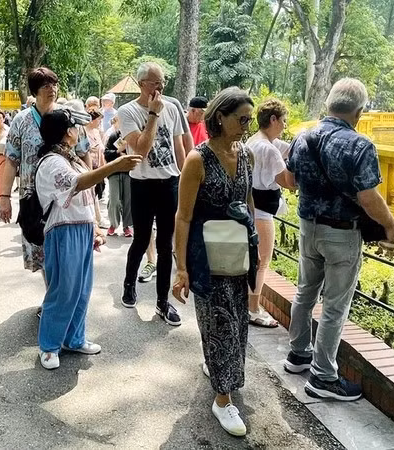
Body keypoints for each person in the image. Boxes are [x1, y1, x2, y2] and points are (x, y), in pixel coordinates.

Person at [283, 78, 394, 401]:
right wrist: (391, 227)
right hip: (341, 234)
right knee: (334, 305)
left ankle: (298, 354)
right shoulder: (360, 145)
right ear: (359, 112)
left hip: (307, 227)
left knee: (305, 291)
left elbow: (290, 180)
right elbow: (368, 198)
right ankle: (323, 376)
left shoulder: (303, 136)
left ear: (329, 104)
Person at [172, 87, 257, 437]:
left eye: (249, 120)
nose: (246, 126)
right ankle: (223, 399)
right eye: (241, 119)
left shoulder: (246, 154)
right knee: (220, 324)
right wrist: (181, 268)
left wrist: (254, 243)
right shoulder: (198, 160)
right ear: (220, 117)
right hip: (206, 256)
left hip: (237, 253)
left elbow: (248, 203)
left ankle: (220, 370)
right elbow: (183, 216)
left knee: (238, 322)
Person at [35, 109, 142, 369]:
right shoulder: (52, 162)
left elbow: (87, 196)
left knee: (81, 289)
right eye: (75, 126)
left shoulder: (70, 159)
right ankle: (49, 346)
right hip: (62, 230)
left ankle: (74, 338)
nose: (79, 131)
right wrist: (113, 166)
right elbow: (78, 183)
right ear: (67, 132)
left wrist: (94, 228)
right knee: (63, 290)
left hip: (80, 228)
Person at [0, 67, 89, 318]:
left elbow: (84, 152)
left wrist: (89, 187)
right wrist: (4, 198)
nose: (52, 89)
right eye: (45, 85)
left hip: (66, 199)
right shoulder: (21, 120)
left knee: (65, 253)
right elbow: (11, 160)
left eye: (54, 84)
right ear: (35, 91)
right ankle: (54, 300)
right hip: (34, 200)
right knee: (43, 252)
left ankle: (59, 304)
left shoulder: (68, 116)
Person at [118, 61, 187, 326]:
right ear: (141, 84)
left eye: (162, 82)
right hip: (142, 184)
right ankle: (129, 284)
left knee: (166, 244)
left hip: (169, 183)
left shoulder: (172, 108)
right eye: (155, 82)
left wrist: (185, 179)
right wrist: (153, 114)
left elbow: (178, 147)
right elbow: (141, 150)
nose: (160, 87)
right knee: (141, 239)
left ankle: (162, 302)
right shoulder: (127, 112)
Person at [245, 99, 295, 328]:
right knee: (262, 261)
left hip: (250, 207)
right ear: (273, 120)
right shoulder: (268, 149)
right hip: (262, 212)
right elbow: (287, 182)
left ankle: (249, 304)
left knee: (253, 260)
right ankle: (253, 309)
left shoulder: (254, 141)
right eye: (283, 121)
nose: (284, 125)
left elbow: (289, 147)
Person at [104, 116, 133, 238]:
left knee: (128, 200)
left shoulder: (133, 135)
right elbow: (106, 153)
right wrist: (117, 152)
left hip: (129, 172)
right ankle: (113, 224)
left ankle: (127, 226)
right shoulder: (113, 136)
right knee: (114, 199)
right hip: (114, 172)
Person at [84, 97, 109, 227]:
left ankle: (97, 219)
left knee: (96, 194)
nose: (100, 122)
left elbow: (101, 149)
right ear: (93, 120)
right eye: (99, 120)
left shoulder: (97, 132)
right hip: (89, 168)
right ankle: (96, 219)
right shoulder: (84, 132)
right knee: (91, 194)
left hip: (99, 167)